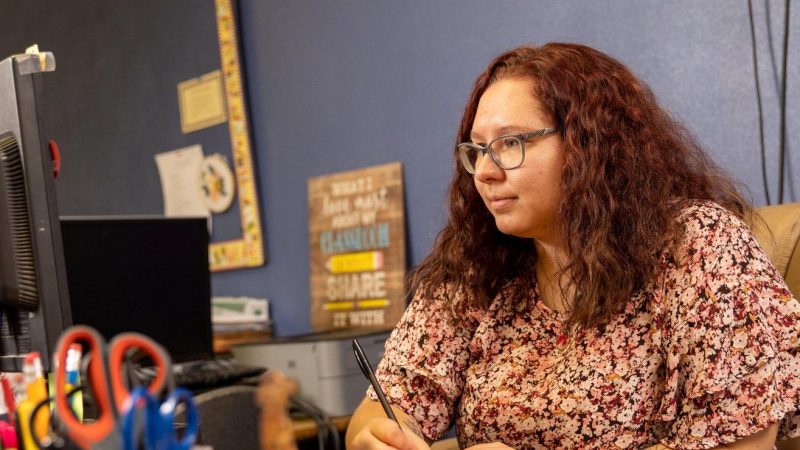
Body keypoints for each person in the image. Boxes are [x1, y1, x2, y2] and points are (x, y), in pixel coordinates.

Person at [345, 43, 800, 449]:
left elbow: (739, 444)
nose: (483, 171)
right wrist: (380, 435)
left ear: (590, 145)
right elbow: (389, 403)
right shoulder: (475, 266)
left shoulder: (699, 244)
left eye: (510, 143)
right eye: (477, 150)